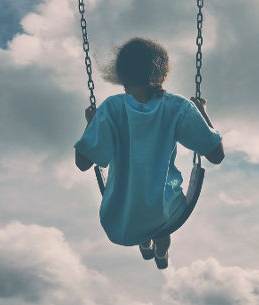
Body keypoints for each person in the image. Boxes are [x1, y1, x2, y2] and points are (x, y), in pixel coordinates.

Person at [74, 38, 224, 269]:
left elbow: (83, 163)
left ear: (121, 77)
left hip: (122, 212)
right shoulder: (177, 106)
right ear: (162, 75)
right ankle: (160, 249)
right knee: (161, 217)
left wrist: (91, 124)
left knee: (137, 214)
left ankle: (144, 242)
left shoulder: (111, 108)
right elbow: (216, 155)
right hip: (165, 210)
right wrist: (202, 112)